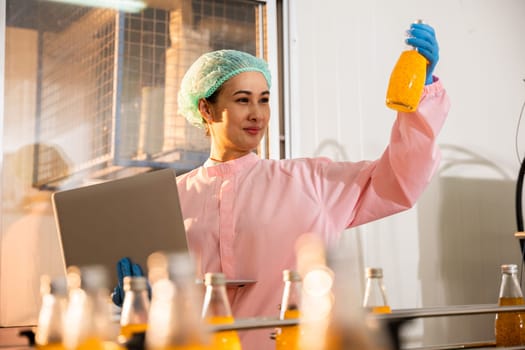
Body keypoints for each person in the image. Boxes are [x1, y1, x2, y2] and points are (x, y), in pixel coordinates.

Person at [115, 22, 450, 350]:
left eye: (264, 100)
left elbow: (399, 180)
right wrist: (139, 296)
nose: (257, 114)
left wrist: (421, 92)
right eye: (243, 100)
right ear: (206, 108)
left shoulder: (312, 181)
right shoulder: (172, 199)